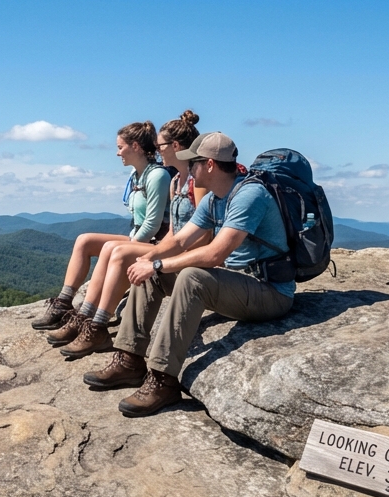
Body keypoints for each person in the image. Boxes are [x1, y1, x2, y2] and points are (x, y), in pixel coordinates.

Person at [82, 132, 295, 417]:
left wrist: (158, 264)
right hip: (237, 286)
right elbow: (180, 240)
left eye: (192, 163)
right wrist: (149, 257)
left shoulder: (249, 195)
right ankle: (130, 359)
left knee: (191, 276)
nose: (187, 170)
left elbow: (215, 254)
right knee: (152, 273)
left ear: (209, 165)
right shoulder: (215, 199)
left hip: (270, 292)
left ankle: (162, 379)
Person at [48, 112, 211, 359]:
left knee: (120, 251)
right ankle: (84, 318)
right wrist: (158, 252)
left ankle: (97, 326)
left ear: (175, 146)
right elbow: (174, 232)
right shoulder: (176, 180)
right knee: (106, 247)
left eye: (159, 146)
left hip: (188, 254)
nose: (156, 150)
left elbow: (203, 232)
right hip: (172, 246)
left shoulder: (192, 181)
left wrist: (155, 255)